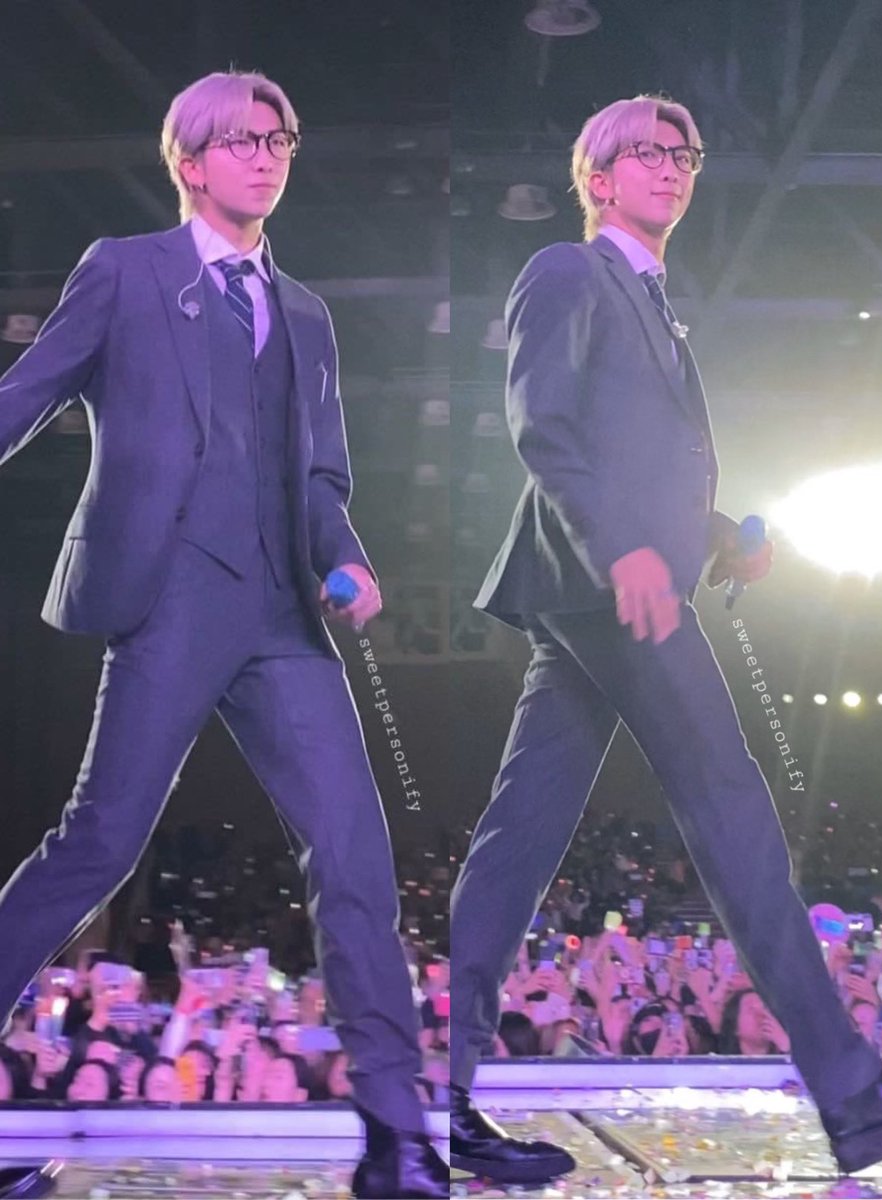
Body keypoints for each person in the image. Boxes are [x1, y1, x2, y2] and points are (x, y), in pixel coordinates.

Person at [0, 70, 445, 1199]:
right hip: (167, 599)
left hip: (283, 617)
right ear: (190, 161)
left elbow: (320, 474)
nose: (267, 154)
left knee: (355, 853)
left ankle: (398, 1138)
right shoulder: (126, 270)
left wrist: (348, 553)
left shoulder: (305, 314)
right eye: (242, 139)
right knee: (98, 847)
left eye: (280, 138)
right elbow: (29, 392)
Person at [450, 92, 882, 1182]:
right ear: (598, 178)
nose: (674, 166)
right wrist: (627, 555)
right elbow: (544, 430)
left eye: (685, 152)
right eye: (648, 152)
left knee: (518, 842)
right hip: (608, 588)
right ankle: (852, 1089)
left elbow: (634, 455)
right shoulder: (568, 273)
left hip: (605, 586)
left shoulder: (653, 302)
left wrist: (713, 535)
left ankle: (434, 1096)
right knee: (730, 802)